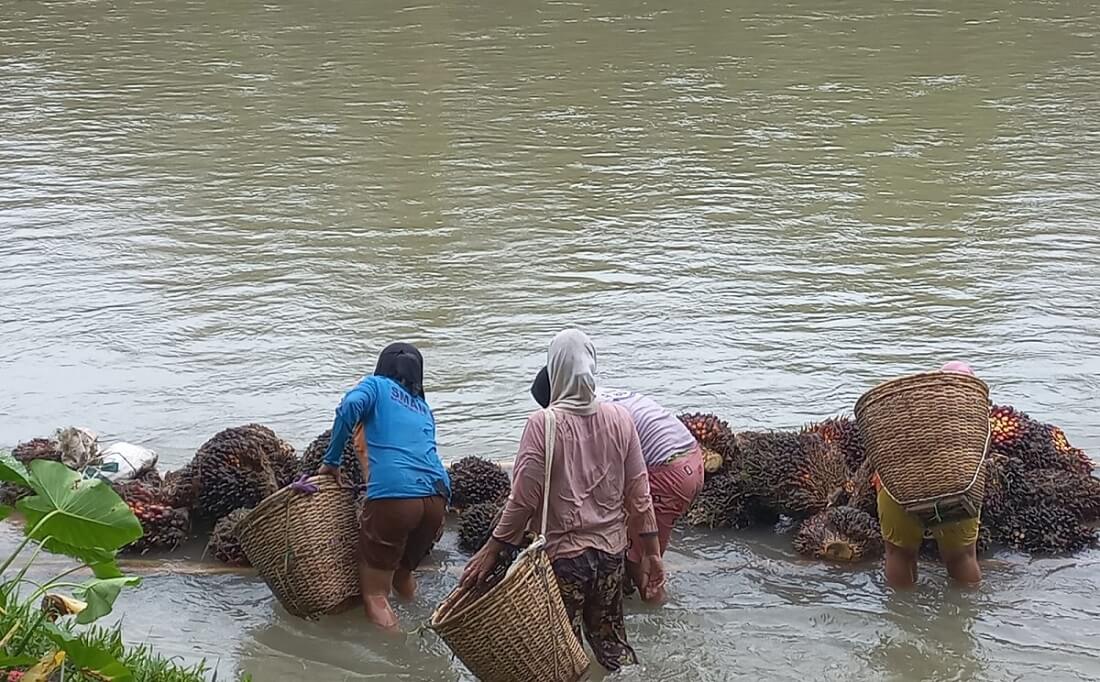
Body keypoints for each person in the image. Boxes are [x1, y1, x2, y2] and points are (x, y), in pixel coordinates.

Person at [459, 329, 664, 673]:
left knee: (560, 656)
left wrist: (491, 549)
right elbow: (640, 495)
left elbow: (523, 500)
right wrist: (653, 553)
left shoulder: (542, 423)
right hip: (611, 555)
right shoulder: (621, 419)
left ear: (554, 370)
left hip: (563, 561)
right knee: (613, 648)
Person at [529, 368, 702, 602]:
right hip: (692, 460)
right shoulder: (593, 396)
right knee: (639, 552)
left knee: (639, 561)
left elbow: (599, 482)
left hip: (667, 472)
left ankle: (655, 614)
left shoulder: (587, 416)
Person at [318, 342, 450, 630]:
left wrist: (332, 460)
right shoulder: (423, 407)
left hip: (395, 498)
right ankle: (426, 629)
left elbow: (349, 407)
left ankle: (399, 658)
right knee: (402, 576)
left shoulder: (376, 386)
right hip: (437, 499)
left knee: (376, 594)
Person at [876, 360, 983, 589]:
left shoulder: (909, 412)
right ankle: (968, 612)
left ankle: (901, 614)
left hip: (899, 488)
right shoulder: (975, 417)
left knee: (899, 555)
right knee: (962, 556)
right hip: (957, 486)